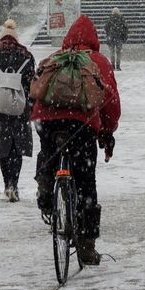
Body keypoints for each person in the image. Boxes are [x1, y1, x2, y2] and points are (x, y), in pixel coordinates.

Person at [32, 15, 121, 266]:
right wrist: (107, 132)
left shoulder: (54, 58)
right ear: (95, 39)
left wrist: (42, 119)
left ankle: (46, 185)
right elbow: (110, 102)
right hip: (82, 125)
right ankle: (86, 245)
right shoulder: (99, 61)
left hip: (47, 120)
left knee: (49, 152)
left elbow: (35, 93)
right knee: (86, 182)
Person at [0, 19, 36, 203]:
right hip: (20, 111)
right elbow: (33, 87)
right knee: (16, 150)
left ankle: (7, 184)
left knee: (4, 151)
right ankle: (14, 183)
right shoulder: (27, 59)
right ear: (16, 40)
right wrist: (28, 108)